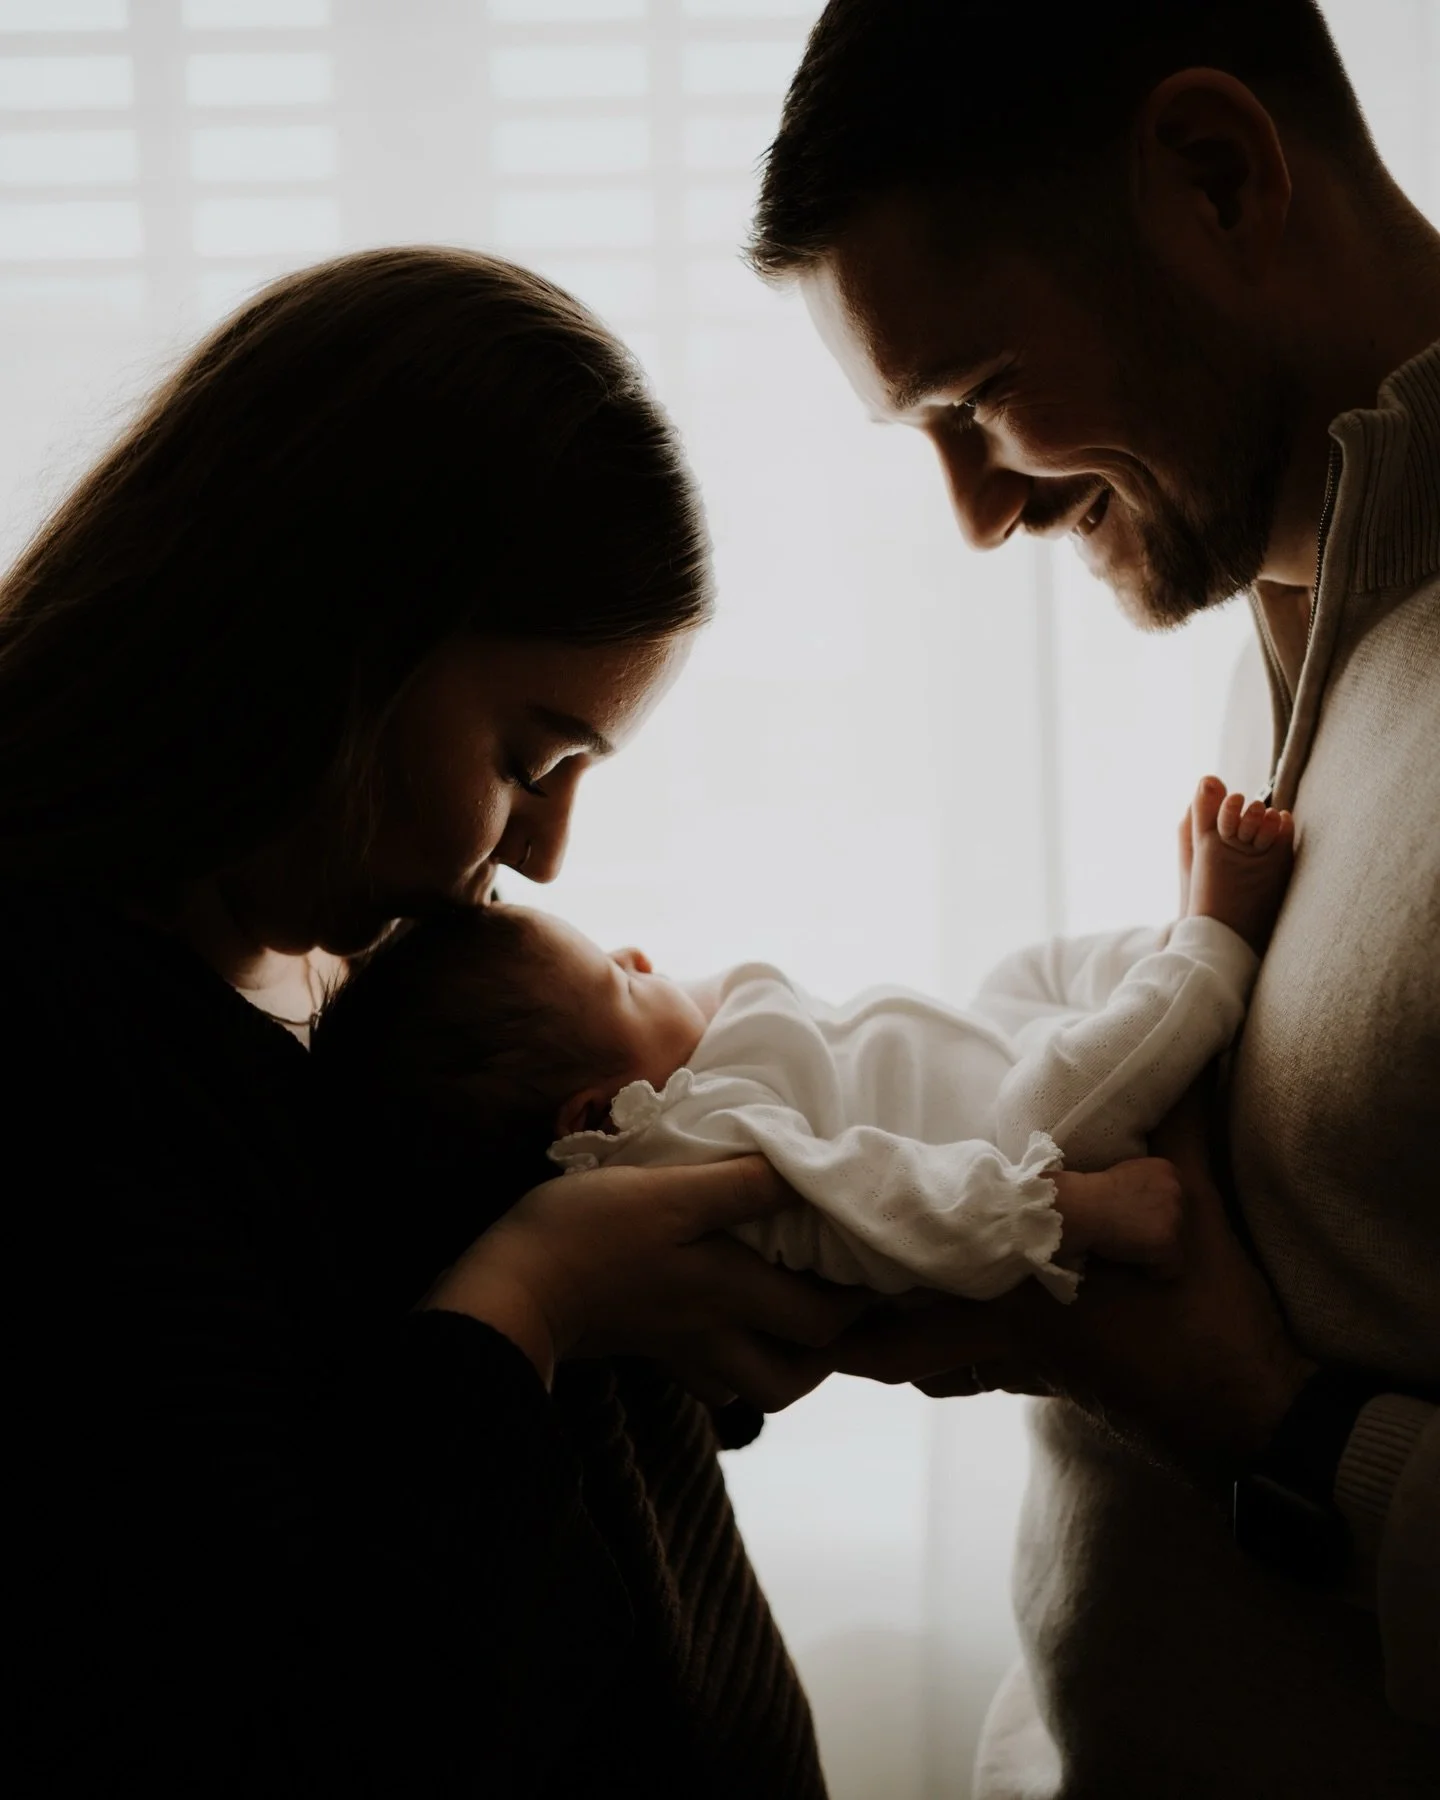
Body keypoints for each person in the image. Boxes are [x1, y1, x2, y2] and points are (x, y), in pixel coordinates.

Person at [6, 245, 885, 1797]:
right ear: (340, 638)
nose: (543, 855)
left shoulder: (340, 978)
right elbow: (287, 1701)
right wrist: (539, 1294)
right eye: (531, 756)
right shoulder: (67, 1062)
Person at [746, 1, 1440, 1795]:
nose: (978, 515)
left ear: (1217, 179)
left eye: (976, 401)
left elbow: (1241, 1375)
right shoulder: (1302, 615)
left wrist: (1267, 1427)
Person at [314, 777, 1290, 1306]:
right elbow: (876, 1206)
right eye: (620, 979)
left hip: (997, 1054)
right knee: (1051, 1097)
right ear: (600, 1117)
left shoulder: (674, 1096)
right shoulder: (687, 1140)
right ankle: (1214, 947)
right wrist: (1069, 1213)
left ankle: (1166, 970)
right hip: (1020, 1153)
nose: (644, 956)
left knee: (1019, 981)